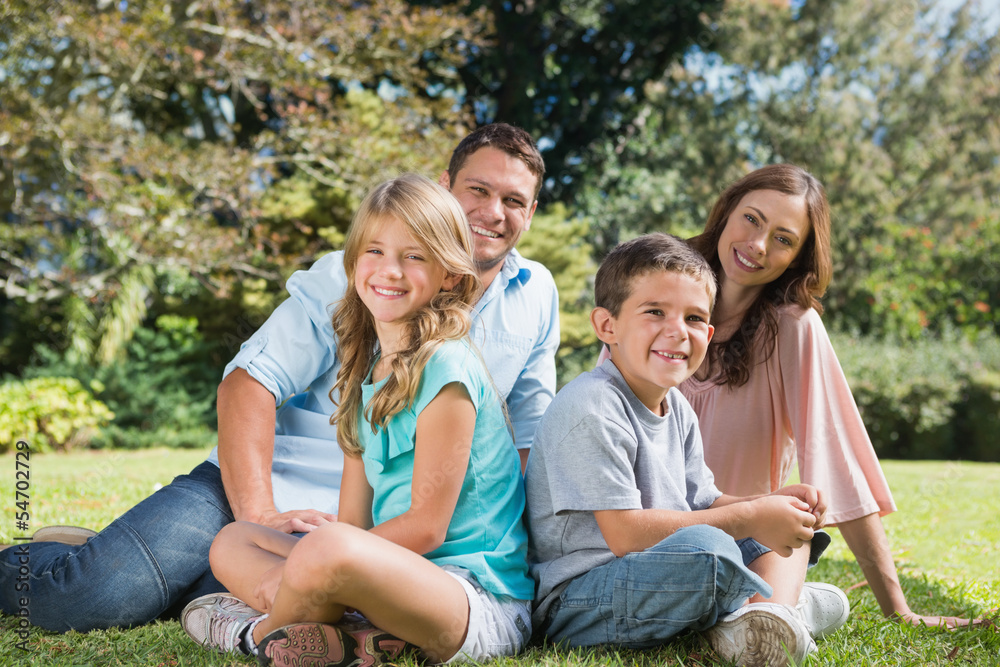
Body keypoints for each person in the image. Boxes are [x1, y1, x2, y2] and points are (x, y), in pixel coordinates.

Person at [0, 123, 559, 632]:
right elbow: (248, 383)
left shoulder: (536, 295)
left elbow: (529, 438)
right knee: (86, 598)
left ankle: (131, 560)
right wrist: (261, 512)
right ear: (445, 185)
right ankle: (87, 562)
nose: (493, 212)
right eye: (478, 190)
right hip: (258, 486)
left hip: (372, 528)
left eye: (514, 200)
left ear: (530, 213)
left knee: (215, 590)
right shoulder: (354, 277)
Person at [183, 174, 534, 665]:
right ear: (352, 265)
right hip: (385, 578)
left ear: (450, 274)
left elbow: (426, 530)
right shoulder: (365, 375)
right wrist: (322, 558)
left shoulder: (449, 369)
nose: (389, 271)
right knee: (234, 539)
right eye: (374, 252)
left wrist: (323, 559)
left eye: (414, 256)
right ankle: (356, 637)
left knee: (325, 553)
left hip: (471, 598)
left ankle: (254, 632)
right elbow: (353, 522)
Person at [679, 163, 977, 628]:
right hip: (652, 533)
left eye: (782, 238)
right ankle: (802, 605)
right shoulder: (660, 294)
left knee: (762, 603)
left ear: (798, 257)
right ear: (726, 212)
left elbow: (836, 462)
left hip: (747, 542)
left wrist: (899, 611)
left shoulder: (793, 329)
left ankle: (780, 602)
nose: (757, 245)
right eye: (751, 219)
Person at [525, 233, 843, 667]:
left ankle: (768, 615)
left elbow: (706, 501)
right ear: (607, 325)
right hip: (580, 598)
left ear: (708, 334)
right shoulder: (593, 406)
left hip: (657, 571)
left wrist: (771, 503)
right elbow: (625, 535)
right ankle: (776, 608)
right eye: (655, 311)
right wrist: (750, 517)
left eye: (694, 318)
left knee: (787, 533)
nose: (677, 331)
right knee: (710, 549)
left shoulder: (677, 407)